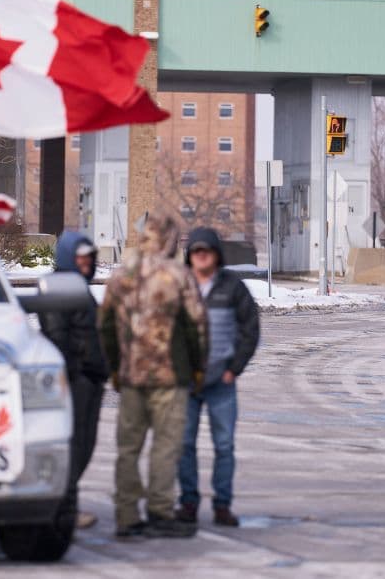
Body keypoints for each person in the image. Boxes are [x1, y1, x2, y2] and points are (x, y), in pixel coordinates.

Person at [99, 212, 207, 539]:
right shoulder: (178, 275)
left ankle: (127, 516)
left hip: (131, 376)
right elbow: (195, 326)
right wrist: (198, 367)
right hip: (169, 377)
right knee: (165, 446)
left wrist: (115, 367)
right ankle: (160, 511)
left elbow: (104, 326)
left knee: (128, 448)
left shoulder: (121, 276)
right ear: (172, 239)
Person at [176, 227, 260, 528]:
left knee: (224, 446)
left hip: (221, 383)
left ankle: (222, 506)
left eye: (207, 251)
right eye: (196, 251)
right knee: (183, 445)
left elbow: (250, 329)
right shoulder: (178, 286)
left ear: (216, 255)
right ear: (189, 255)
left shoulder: (232, 287)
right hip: (185, 383)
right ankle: (187, 502)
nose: (201, 256)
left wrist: (233, 368)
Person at [37, 232, 109, 530]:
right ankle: (63, 509)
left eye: (89, 258)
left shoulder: (78, 288)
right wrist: (74, 371)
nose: (86, 263)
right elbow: (58, 336)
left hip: (91, 378)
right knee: (74, 445)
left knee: (85, 445)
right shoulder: (58, 288)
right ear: (67, 257)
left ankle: (66, 504)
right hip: (75, 380)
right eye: (80, 257)